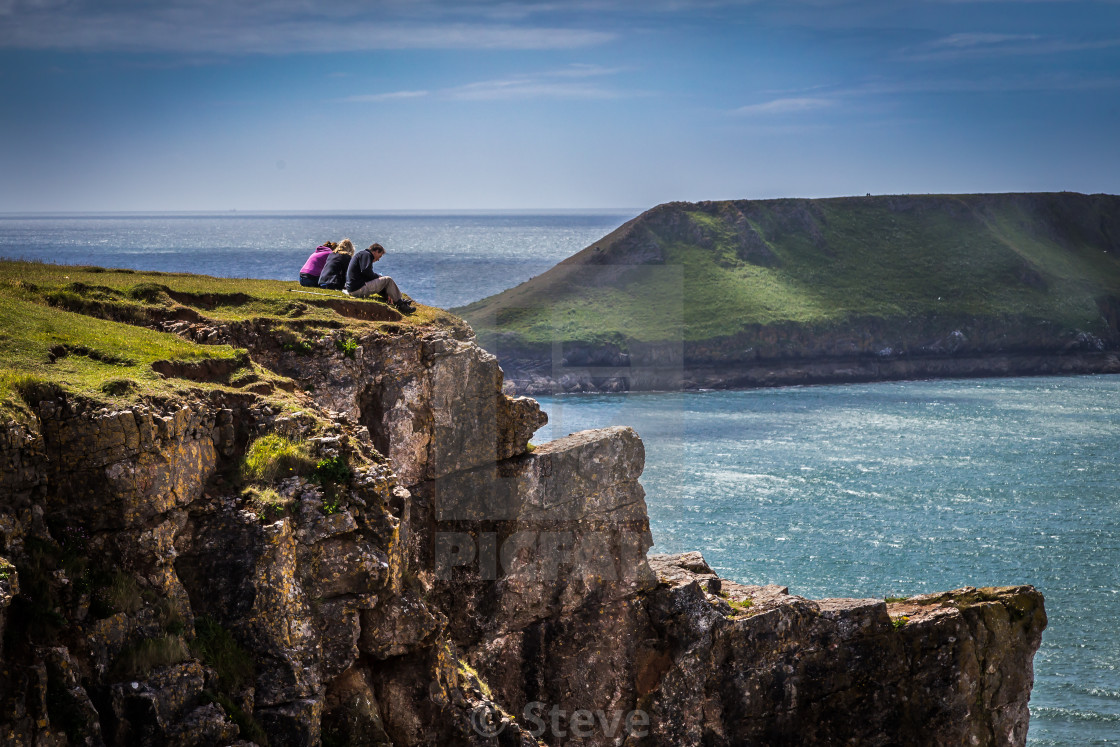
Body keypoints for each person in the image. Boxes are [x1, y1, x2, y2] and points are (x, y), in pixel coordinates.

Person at [344, 242, 415, 313]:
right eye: (379, 256)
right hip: (357, 289)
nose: (378, 259)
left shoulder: (362, 255)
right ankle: (401, 305)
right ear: (376, 251)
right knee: (388, 279)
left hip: (354, 288)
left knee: (383, 282)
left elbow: (366, 275)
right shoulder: (366, 255)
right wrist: (378, 277)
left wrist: (378, 279)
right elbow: (366, 272)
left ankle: (395, 299)